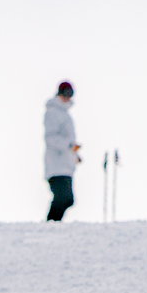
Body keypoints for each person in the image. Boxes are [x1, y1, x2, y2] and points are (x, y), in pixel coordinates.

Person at [43, 80, 81, 221]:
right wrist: (69, 146)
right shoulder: (53, 113)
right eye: (65, 94)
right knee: (63, 198)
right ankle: (50, 224)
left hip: (66, 165)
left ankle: (53, 223)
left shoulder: (66, 115)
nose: (68, 97)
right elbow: (51, 138)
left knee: (68, 199)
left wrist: (75, 154)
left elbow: (68, 141)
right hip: (56, 166)